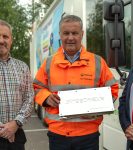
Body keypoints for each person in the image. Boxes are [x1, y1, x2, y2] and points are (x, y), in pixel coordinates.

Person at [33, 15, 119, 150]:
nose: (70, 37)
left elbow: (113, 89)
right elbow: (37, 87)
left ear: (82, 34)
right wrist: (46, 97)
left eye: (75, 33)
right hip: (58, 135)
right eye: (66, 33)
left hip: (88, 136)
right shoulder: (49, 63)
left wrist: (96, 106)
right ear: (60, 35)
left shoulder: (97, 62)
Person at [0, 19, 34, 150]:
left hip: (16, 138)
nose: (1, 40)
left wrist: (15, 124)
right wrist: (4, 130)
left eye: (5, 36)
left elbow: (29, 99)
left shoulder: (22, 67)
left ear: (11, 40)